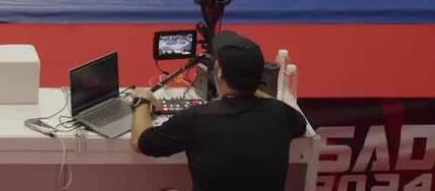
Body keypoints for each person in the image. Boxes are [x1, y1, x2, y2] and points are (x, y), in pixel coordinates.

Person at [132, 31, 308, 191]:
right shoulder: (281, 113)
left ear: (220, 73)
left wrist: (142, 100)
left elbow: (141, 142)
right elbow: (300, 124)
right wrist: (252, 88)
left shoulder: (197, 118)